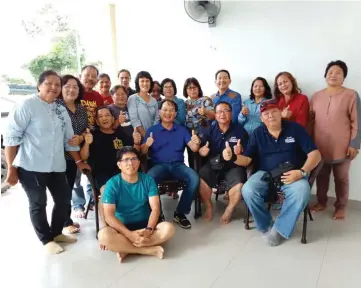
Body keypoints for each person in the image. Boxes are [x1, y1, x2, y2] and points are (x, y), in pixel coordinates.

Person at [3, 70, 90, 254]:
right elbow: (11, 139)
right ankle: (46, 239)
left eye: (57, 85)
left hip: (57, 165)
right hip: (31, 166)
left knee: (64, 199)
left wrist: (79, 161)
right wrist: (11, 168)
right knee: (38, 202)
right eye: (49, 83)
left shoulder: (60, 110)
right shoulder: (27, 105)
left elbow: (68, 140)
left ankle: (57, 232)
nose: (53, 87)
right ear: (39, 85)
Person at [239, 98, 321, 246]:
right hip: (266, 174)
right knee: (248, 189)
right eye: (266, 114)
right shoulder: (257, 133)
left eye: (274, 111)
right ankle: (266, 225)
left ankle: (280, 230)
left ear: (280, 113)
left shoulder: (295, 129)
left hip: (292, 174)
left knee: (301, 191)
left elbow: (315, 154)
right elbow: (246, 159)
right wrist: (233, 156)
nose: (270, 116)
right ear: (261, 118)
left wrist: (302, 172)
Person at [98, 147, 175, 263]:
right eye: (126, 160)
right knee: (104, 235)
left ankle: (126, 249)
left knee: (169, 228)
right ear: (119, 164)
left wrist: (149, 230)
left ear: (139, 162)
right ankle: (147, 250)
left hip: (145, 227)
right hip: (122, 229)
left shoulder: (148, 180)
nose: (130, 163)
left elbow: (155, 209)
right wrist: (129, 234)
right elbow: (109, 216)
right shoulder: (112, 184)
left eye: (134, 159)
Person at [310, 60, 361, 220]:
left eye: (338, 72)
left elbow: (357, 122)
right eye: (331, 72)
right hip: (320, 147)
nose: (334, 75)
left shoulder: (351, 95)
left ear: (344, 77)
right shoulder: (316, 96)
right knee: (321, 176)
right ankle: (321, 202)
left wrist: (354, 144)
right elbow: (310, 122)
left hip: (343, 146)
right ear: (325, 75)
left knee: (341, 178)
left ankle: (340, 207)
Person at [141, 100, 201, 229]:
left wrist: (196, 142)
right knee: (148, 179)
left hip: (178, 165)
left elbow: (194, 148)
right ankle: (158, 214)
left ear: (175, 114)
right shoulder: (152, 130)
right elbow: (142, 152)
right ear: (160, 112)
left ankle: (180, 213)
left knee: (194, 178)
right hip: (159, 166)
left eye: (171, 110)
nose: (168, 113)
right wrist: (147, 145)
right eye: (165, 110)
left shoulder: (182, 130)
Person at [198, 101, 248, 224]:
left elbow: (247, 152)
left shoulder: (240, 130)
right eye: (219, 111)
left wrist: (240, 151)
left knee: (239, 184)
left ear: (231, 114)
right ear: (215, 115)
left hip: (233, 166)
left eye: (226, 111)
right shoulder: (209, 129)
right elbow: (201, 148)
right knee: (200, 178)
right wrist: (202, 150)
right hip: (213, 164)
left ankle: (229, 209)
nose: (222, 114)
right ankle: (209, 206)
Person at [80, 106, 141, 191]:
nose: (104, 118)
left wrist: (137, 142)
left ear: (113, 119)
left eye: (107, 115)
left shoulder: (120, 134)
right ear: (97, 121)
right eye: (100, 116)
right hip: (103, 175)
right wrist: (87, 143)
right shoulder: (92, 135)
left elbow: (134, 153)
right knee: (108, 193)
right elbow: (84, 157)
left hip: (124, 172)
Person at [56, 75, 88, 234]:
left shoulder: (81, 108)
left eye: (75, 86)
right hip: (60, 155)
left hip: (76, 155)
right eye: (67, 86)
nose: (71, 90)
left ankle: (66, 220)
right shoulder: (56, 106)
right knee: (62, 190)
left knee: (68, 188)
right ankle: (64, 223)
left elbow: (86, 128)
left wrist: (81, 137)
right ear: (60, 88)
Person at [77, 65, 105, 215]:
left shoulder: (98, 97)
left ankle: (92, 199)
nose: (90, 79)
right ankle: (78, 205)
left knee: (90, 168)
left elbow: (100, 116)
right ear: (80, 75)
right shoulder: (73, 92)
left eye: (94, 76)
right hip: (73, 138)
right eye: (87, 75)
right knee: (75, 174)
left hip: (91, 137)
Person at [128, 71, 160, 138]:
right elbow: (134, 119)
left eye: (147, 81)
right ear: (138, 83)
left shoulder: (154, 100)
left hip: (153, 135)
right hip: (138, 136)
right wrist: (145, 135)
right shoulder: (132, 98)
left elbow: (157, 118)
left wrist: (152, 134)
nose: (145, 83)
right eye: (142, 81)